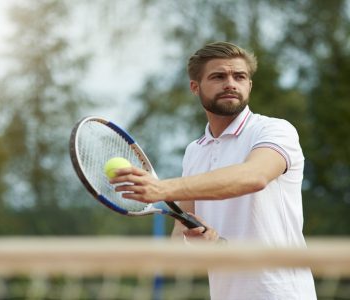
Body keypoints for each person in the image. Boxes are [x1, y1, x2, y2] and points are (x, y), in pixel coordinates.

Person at [110, 41, 317, 299]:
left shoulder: (274, 130)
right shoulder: (194, 151)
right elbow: (181, 235)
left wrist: (161, 188)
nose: (230, 83)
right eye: (218, 76)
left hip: (282, 293)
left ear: (249, 85)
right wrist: (198, 243)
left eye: (239, 76)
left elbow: (254, 176)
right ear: (195, 87)